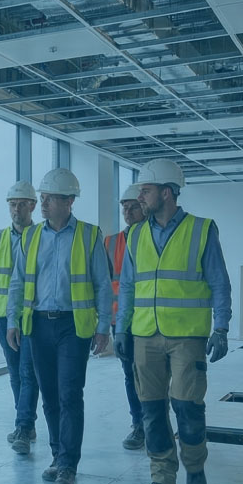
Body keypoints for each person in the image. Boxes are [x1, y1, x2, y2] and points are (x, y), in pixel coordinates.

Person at [113, 159, 232, 484]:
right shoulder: (135, 235)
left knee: (187, 407)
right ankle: (162, 479)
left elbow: (219, 283)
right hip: (144, 336)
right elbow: (129, 287)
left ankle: (194, 467)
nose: (140, 198)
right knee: (151, 411)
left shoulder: (202, 229)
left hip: (187, 337)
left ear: (167, 193)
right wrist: (122, 328)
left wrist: (221, 327)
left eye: (145, 191)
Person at [6, 168, 112, 484]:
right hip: (37, 324)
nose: (43, 204)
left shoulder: (90, 236)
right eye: (43, 198)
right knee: (49, 396)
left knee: (69, 394)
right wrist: (13, 320)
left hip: (72, 325)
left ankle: (68, 465)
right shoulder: (31, 236)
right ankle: (56, 455)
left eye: (50, 199)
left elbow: (102, 284)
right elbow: (17, 281)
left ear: (69, 201)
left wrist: (103, 326)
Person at [0, 181, 39, 455]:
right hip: (3, 316)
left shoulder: (41, 236)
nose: (16, 209)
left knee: (28, 372)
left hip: (31, 314)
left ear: (33, 206)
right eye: (12, 204)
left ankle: (23, 425)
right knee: (15, 373)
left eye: (21, 204)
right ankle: (26, 423)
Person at [107, 183, 146, 451]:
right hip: (121, 321)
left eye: (133, 207)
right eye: (125, 208)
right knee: (130, 375)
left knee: (152, 375)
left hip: (150, 319)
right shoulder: (110, 242)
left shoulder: (153, 238)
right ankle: (140, 425)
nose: (128, 212)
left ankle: (154, 422)